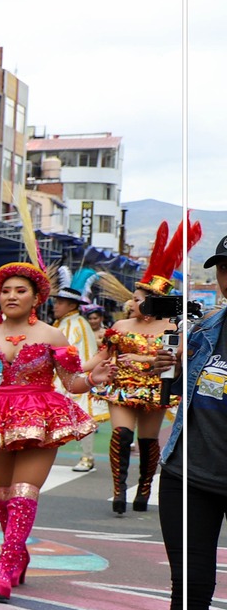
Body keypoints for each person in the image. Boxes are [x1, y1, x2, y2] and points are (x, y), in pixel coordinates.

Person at [0, 232, 109, 600]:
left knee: (24, 493)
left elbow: (71, 383)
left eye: (20, 290)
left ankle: (4, 564)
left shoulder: (53, 336)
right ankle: (18, 554)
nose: (11, 296)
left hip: (41, 417)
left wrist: (94, 378)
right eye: (5, 290)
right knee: (3, 495)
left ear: (37, 297)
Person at [154, 232, 227, 610]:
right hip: (189, 474)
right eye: (224, 268)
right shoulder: (204, 330)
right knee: (191, 587)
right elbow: (183, 392)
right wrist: (169, 370)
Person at [93, 221, 203, 516]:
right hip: (122, 387)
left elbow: (178, 358)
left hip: (156, 388)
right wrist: (70, 365)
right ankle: (118, 491)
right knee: (121, 435)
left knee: (148, 440)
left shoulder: (173, 327)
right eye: (134, 298)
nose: (133, 302)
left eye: (139, 299)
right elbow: (100, 356)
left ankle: (143, 489)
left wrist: (145, 360)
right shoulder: (120, 325)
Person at [52, 273, 104, 473]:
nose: (55, 306)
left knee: (83, 416)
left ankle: (87, 457)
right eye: (56, 302)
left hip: (74, 377)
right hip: (64, 377)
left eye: (60, 302)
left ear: (72, 305)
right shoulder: (63, 323)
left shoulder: (77, 324)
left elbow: (74, 354)